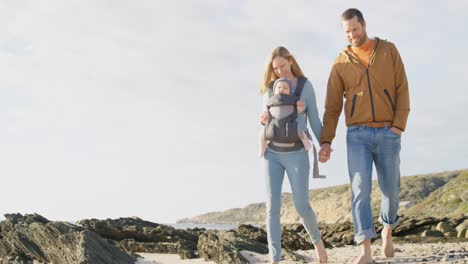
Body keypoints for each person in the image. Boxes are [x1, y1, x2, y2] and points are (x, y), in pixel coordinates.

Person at [319, 8, 410, 264]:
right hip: (357, 134)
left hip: (387, 131)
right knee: (360, 189)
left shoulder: (388, 50)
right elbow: (333, 106)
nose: (352, 35)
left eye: (355, 29)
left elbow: (402, 87)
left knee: (391, 190)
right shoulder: (340, 62)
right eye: (347, 31)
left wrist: (398, 125)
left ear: (364, 25)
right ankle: (365, 251)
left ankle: (388, 230)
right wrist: (326, 140)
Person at [260, 46, 328, 263]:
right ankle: (275, 259)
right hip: (272, 153)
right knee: (272, 207)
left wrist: (325, 144)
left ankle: (318, 245)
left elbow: (315, 119)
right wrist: (262, 120)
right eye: (275, 68)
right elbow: (266, 120)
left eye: (282, 65)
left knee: (301, 205)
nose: (280, 71)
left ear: (290, 60)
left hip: (297, 153)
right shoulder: (270, 89)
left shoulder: (305, 86)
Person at [259, 77, 311, 158]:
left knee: (301, 133)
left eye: (285, 88)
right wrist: (264, 120)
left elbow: (297, 112)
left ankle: (307, 145)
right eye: (279, 87)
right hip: (273, 125)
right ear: (274, 90)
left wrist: (300, 108)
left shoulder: (293, 100)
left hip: (290, 125)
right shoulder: (270, 101)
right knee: (262, 134)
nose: (281, 89)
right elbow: (267, 114)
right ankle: (262, 150)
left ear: (290, 92)